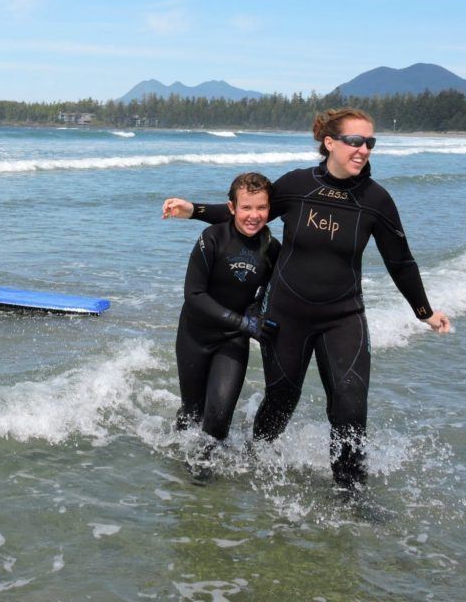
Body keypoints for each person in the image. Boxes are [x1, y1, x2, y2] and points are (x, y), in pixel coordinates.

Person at [162, 108, 451, 491]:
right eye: (355, 141)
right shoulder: (299, 185)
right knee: (281, 401)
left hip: (343, 316)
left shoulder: (376, 200)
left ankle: (350, 492)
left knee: (350, 405)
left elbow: (401, 261)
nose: (363, 149)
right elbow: (250, 214)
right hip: (286, 316)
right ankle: (256, 463)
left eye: (370, 142)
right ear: (330, 143)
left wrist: (424, 311)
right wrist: (193, 211)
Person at [175, 172, 280, 455]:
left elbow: (267, 294)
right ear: (232, 208)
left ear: (270, 210)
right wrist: (243, 322)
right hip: (194, 335)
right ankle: (183, 471)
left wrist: (256, 313)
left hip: (233, 339)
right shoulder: (211, 238)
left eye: (261, 208)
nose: (254, 215)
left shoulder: (271, 249)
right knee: (191, 413)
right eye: (246, 207)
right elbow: (194, 295)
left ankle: (206, 479)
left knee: (219, 419)